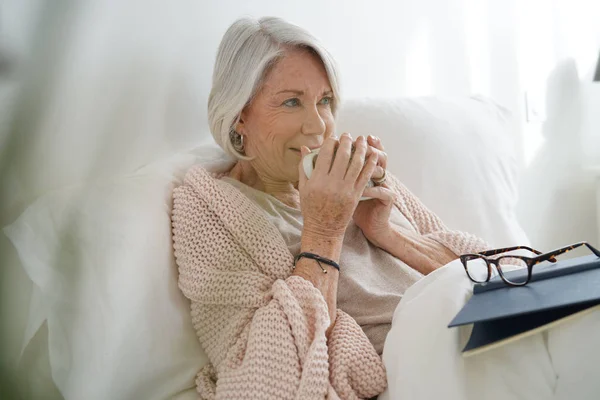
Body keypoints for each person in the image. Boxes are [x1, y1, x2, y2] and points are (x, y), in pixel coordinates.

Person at [171, 16, 489, 399]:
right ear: (239, 115)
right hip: (420, 361)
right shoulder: (211, 212)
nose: (318, 125)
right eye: (291, 102)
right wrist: (324, 231)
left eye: (324, 101)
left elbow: (493, 274)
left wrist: (390, 235)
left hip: (479, 326)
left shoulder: (350, 177)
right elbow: (260, 385)